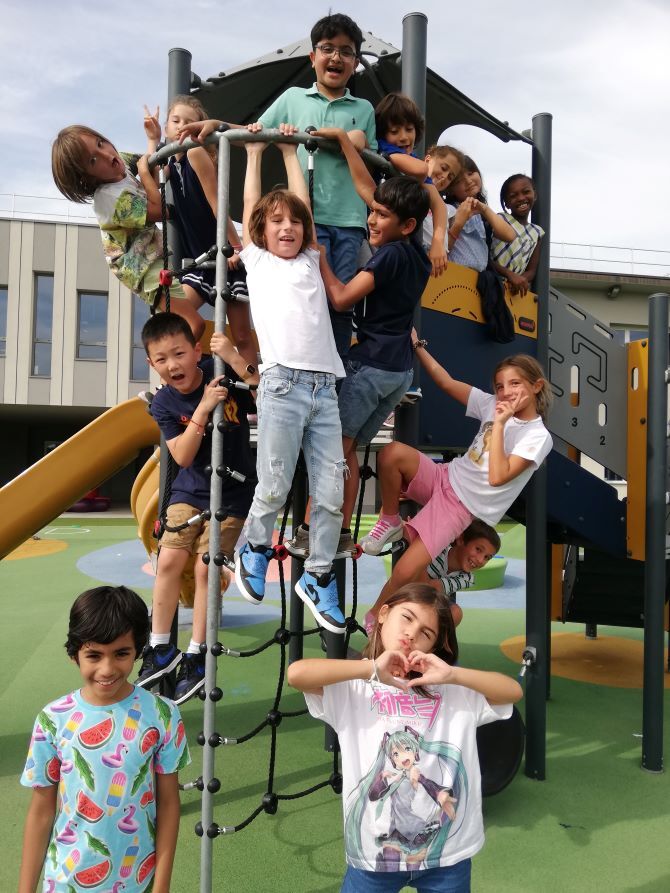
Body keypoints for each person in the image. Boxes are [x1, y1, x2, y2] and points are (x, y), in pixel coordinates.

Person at [288, 582, 523, 889]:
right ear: (383, 614)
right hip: (376, 854)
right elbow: (297, 675)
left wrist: (452, 674)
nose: (412, 633)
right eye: (407, 617)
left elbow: (512, 692)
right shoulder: (355, 687)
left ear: (434, 646)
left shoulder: (451, 691)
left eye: (426, 633)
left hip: (446, 856)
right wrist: (368, 669)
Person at [284, 127, 431, 559]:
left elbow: (342, 297)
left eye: (381, 216)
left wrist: (324, 261)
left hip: (370, 367)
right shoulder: (416, 252)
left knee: (332, 452)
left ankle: (313, 530)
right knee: (348, 452)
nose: (371, 219)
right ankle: (343, 531)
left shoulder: (389, 255)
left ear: (406, 225)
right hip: (398, 371)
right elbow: (370, 192)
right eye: (373, 212)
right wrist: (348, 144)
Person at [19, 585, 190, 893]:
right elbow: (41, 811)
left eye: (121, 654)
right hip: (63, 881)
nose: (108, 669)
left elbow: (168, 805)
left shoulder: (163, 714)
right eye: (94, 655)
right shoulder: (52, 718)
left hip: (137, 882)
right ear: (75, 654)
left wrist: (161, 886)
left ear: (137, 650)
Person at [362, 347, 552, 614]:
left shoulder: (537, 436)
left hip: (461, 505)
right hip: (446, 477)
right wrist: (418, 347)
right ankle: (390, 520)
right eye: (500, 386)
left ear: (536, 386)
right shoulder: (490, 403)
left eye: (515, 383)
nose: (506, 392)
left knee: (405, 570)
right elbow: (445, 381)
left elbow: (497, 477)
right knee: (391, 454)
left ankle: (374, 616)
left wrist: (499, 424)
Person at [136, 312, 258, 703]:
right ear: (151, 365)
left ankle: (197, 653)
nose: (173, 365)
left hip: (233, 494)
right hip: (188, 491)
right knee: (168, 561)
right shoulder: (165, 403)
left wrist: (235, 358)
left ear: (196, 351)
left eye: (179, 353)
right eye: (162, 359)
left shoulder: (219, 370)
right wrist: (203, 409)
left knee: (206, 569)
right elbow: (183, 456)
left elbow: (262, 388)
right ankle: (160, 648)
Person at [257, 13, 378, 359]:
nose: (336, 57)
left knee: (339, 303)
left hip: (350, 222)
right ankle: (299, 366)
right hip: (305, 219)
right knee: (305, 297)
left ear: (355, 63)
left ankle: (332, 379)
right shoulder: (293, 99)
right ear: (313, 57)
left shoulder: (363, 108)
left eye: (346, 51)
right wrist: (215, 125)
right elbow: (253, 131)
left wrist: (351, 139)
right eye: (327, 49)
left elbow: (366, 152)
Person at [51, 124, 206, 340]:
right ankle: (180, 368)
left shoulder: (119, 160)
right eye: (93, 161)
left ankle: (176, 359)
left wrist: (154, 139)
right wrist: (145, 172)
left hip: (152, 250)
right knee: (193, 325)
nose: (106, 154)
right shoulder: (110, 199)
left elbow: (152, 168)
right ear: (87, 178)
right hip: (141, 267)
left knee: (187, 313)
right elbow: (158, 209)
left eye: (100, 143)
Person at [143, 98, 258, 369]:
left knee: (241, 334)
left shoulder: (195, 153)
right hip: (200, 260)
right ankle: (183, 373)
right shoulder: (171, 161)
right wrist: (152, 139)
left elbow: (217, 202)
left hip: (221, 251)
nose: (182, 126)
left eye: (188, 121)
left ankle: (255, 396)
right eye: (176, 121)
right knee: (176, 318)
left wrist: (235, 247)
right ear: (167, 126)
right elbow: (149, 171)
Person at [373, 92, 448, 277]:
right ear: (383, 134)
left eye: (409, 129)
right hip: (376, 234)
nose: (404, 137)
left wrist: (438, 242)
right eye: (394, 131)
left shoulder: (410, 158)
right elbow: (422, 170)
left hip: (396, 239)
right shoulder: (384, 148)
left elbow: (438, 204)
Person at [439, 156, 516, 272]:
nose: (468, 181)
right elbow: (441, 249)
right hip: (453, 275)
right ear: (449, 189)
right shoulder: (448, 209)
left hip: (477, 281)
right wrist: (458, 223)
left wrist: (484, 209)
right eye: (459, 181)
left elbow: (510, 236)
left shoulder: (482, 214)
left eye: (470, 173)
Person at [490, 174, 545, 296]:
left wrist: (521, 279)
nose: (521, 198)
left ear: (534, 195)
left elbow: (531, 270)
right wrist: (510, 275)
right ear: (506, 204)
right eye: (513, 196)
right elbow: (485, 256)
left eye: (526, 192)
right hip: (492, 282)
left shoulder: (537, 232)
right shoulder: (500, 219)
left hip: (514, 291)